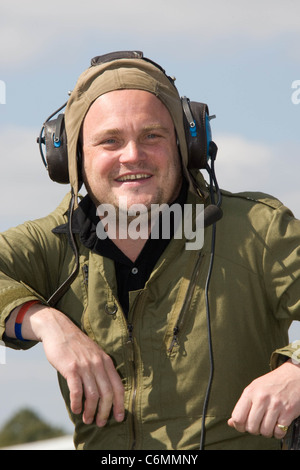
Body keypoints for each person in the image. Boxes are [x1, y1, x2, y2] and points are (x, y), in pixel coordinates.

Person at [1, 51, 300, 451]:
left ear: (186, 144)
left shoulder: (257, 230)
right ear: (71, 159)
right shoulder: (54, 244)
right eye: (110, 141)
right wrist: (44, 322)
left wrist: (296, 371)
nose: (132, 156)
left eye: (152, 136)